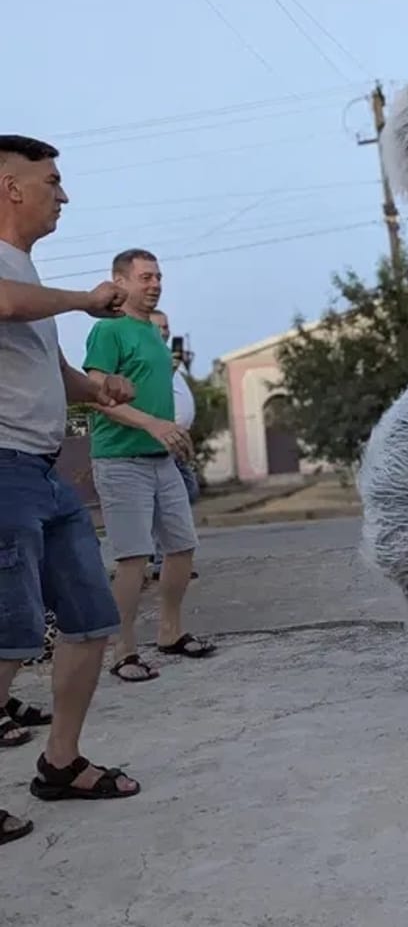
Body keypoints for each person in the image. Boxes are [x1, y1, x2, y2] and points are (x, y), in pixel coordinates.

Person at [0, 134, 142, 844]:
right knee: (9, 633)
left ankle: (60, 763)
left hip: (43, 471)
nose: (64, 193)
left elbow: (48, 365)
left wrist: (97, 389)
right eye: (52, 180)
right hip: (1, 471)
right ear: (11, 188)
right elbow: (6, 303)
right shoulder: (9, 276)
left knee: (88, 622)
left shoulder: (24, 272)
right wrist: (86, 299)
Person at [83, 248, 215, 684]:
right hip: (122, 461)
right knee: (134, 559)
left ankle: (170, 632)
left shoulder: (153, 336)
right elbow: (96, 395)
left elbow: (160, 399)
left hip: (162, 459)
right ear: (119, 282)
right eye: (145, 277)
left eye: (158, 276)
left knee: (181, 548)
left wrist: (175, 432)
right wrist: (152, 425)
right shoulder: (109, 331)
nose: (155, 284)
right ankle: (123, 651)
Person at [148, 309, 200, 581]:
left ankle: (164, 555)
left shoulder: (166, 360)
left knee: (183, 495)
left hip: (176, 441)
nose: (165, 332)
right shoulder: (155, 362)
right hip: (163, 441)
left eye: (167, 326)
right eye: (159, 327)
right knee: (169, 500)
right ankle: (162, 559)